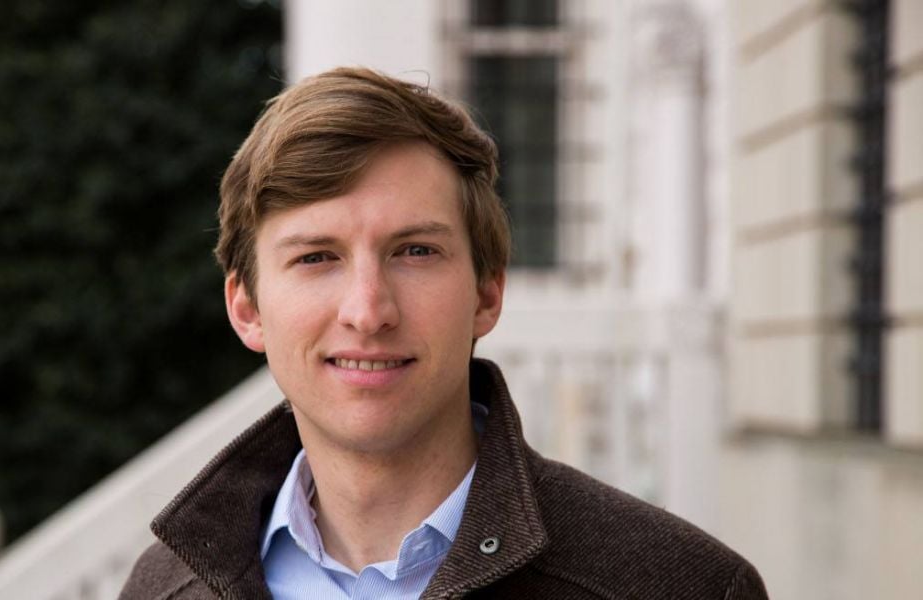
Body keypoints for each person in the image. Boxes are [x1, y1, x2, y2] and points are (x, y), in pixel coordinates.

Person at [119, 67, 767, 600]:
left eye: (416, 252)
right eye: (316, 257)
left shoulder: (683, 588)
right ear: (247, 309)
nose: (368, 311)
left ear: (487, 293)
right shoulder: (164, 589)